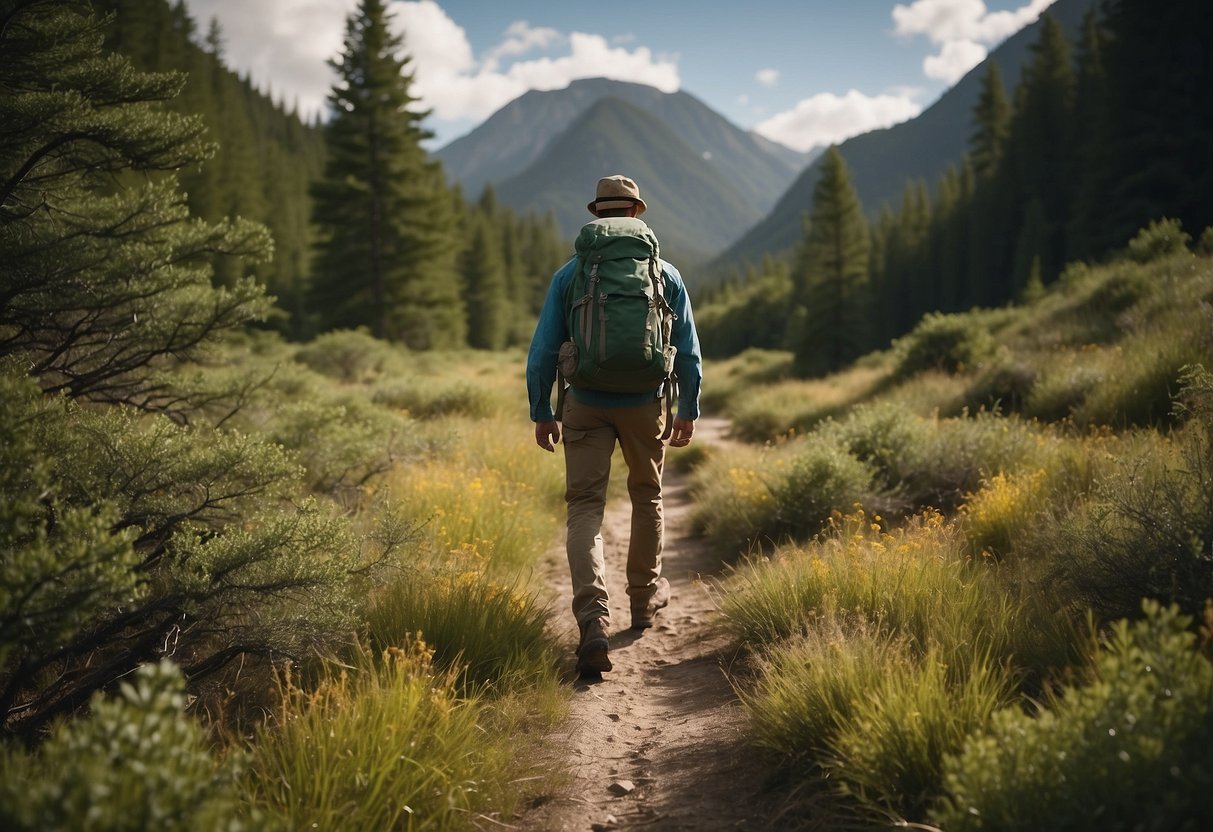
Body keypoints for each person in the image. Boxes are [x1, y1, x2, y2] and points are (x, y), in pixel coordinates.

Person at [527, 174, 702, 676]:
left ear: (597, 214)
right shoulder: (663, 272)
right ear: (636, 213)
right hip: (646, 402)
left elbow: (542, 350)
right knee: (647, 495)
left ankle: (593, 623)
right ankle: (644, 603)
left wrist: (542, 411)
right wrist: (688, 407)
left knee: (585, 507)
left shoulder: (572, 274)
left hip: (584, 403)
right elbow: (687, 349)